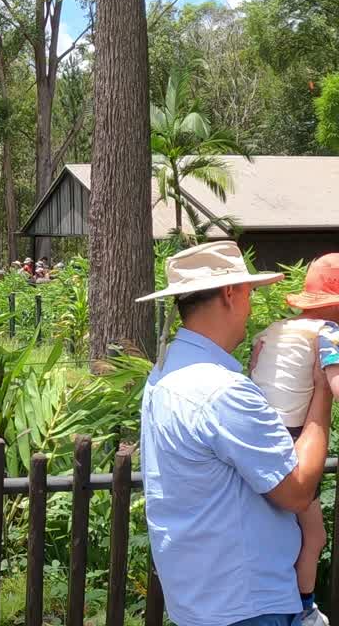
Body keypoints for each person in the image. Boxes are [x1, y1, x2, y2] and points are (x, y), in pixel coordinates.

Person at [137, 241, 330, 626]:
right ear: (230, 293)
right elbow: (296, 491)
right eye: (248, 293)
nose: (251, 306)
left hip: (201, 598)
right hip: (247, 603)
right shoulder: (222, 391)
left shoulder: (165, 373)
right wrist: (321, 393)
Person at [249, 254, 339, 622]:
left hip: (256, 432)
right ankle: (304, 610)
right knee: (314, 536)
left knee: (277, 530)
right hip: (294, 438)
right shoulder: (328, 332)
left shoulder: (272, 330)